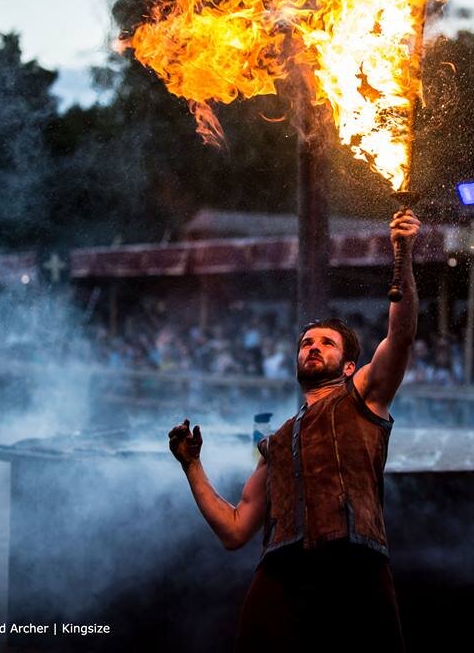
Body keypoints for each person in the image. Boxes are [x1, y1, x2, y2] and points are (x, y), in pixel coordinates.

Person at [168, 209, 421, 652]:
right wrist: (191, 466)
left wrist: (403, 253)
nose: (312, 347)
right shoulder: (278, 442)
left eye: (326, 343)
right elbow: (234, 529)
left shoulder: (361, 395)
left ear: (348, 366)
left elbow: (399, 337)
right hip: (283, 573)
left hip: (355, 561)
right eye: (306, 342)